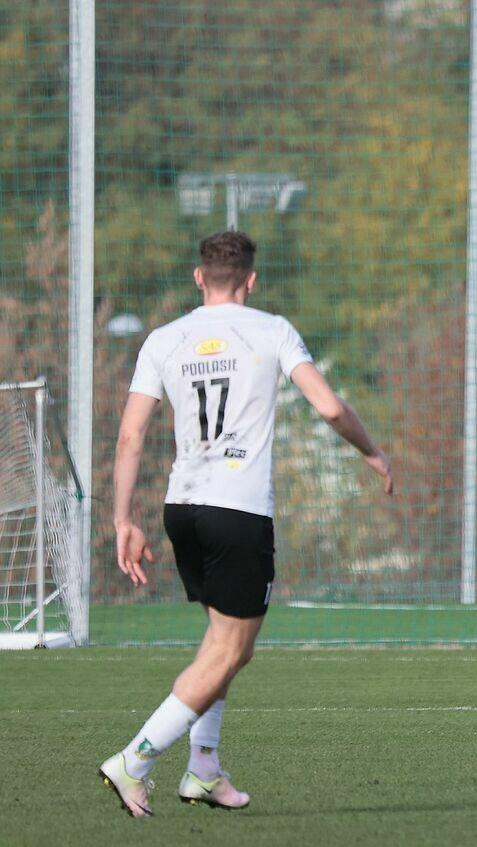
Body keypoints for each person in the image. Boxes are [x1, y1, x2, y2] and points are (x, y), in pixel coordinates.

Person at [99, 231, 393, 817]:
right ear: (251, 280)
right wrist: (372, 451)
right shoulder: (272, 330)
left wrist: (122, 519)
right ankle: (135, 759)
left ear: (198, 277)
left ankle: (204, 768)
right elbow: (329, 406)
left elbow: (131, 435)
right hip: (237, 510)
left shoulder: (164, 339)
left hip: (183, 509)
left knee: (227, 645)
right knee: (229, 651)